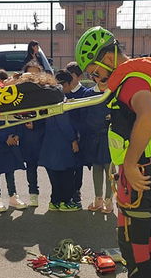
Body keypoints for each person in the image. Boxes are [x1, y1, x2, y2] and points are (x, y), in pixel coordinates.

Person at [75, 26, 151, 277]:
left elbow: (148, 116)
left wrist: (130, 163)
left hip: (141, 168)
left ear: (108, 58)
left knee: (131, 242)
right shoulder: (148, 76)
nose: (96, 78)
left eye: (95, 71)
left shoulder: (131, 81)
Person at [38, 71, 81, 211]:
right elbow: (64, 124)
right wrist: (73, 140)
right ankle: (65, 202)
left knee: (54, 176)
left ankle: (54, 202)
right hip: (62, 145)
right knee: (66, 175)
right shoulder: (60, 99)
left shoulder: (48, 98)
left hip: (49, 144)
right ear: (66, 84)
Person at [62, 64, 96, 207]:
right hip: (65, 134)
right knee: (65, 165)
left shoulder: (85, 93)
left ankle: (76, 191)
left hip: (81, 136)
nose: (69, 78)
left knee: (78, 165)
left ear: (79, 76)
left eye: (72, 75)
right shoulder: (62, 92)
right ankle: (66, 192)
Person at [82, 78, 113, 213]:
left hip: (110, 137)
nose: (101, 79)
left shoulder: (113, 93)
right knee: (96, 168)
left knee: (110, 169)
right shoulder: (89, 93)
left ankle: (109, 200)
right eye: (97, 75)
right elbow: (84, 114)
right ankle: (98, 199)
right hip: (93, 137)